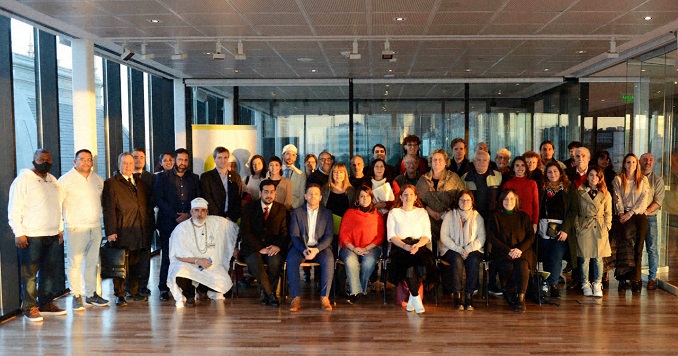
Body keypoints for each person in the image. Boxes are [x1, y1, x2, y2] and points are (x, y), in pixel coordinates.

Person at [9, 149, 66, 321]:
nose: (45, 162)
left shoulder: (53, 180)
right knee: (30, 274)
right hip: (31, 236)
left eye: (48, 159)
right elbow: (14, 208)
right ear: (34, 160)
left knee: (49, 272)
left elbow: (58, 205)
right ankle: (29, 307)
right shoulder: (23, 180)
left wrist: (60, 229)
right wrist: (18, 232)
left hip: (51, 234)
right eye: (41, 159)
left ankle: (46, 303)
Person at [58, 149, 109, 311]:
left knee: (93, 262)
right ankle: (76, 295)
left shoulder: (98, 180)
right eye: (82, 159)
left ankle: (91, 294)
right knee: (75, 263)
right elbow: (57, 206)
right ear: (75, 162)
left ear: (92, 163)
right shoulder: (65, 180)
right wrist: (60, 228)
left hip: (95, 227)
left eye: (89, 160)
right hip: (75, 228)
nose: (86, 162)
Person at [103, 152, 154, 307]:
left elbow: (147, 206)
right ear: (119, 165)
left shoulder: (140, 182)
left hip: (141, 229)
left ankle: (135, 291)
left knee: (138, 263)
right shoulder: (111, 183)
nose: (128, 166)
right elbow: (108, 209)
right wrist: (111, 231)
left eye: (131, 163)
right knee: (121, 264)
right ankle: (120, 294)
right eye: (125, 163)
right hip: (122, 230)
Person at [167, 198, 238, 308]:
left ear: (207, 212)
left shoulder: (215, 222)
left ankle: (202, 290)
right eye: (196, 210)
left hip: (209, 263)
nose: (200, 214)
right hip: (188, 262)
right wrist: (197, 260)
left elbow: (233, 229)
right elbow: (178, 254)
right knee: (178, 271)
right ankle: (190, 295)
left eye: (203, 210)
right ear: (191, 212)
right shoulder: (182, 228)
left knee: (224, 285)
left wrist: (234, 247)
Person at [155, 148, 201, 301]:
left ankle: (185, 286)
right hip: (168, 222)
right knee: (168, 255)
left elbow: (197, 199)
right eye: (180, 159)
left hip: (188, 223)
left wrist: (188, 214)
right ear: (175, 160)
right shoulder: (162, 177)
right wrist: (175, 216)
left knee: (186, 255)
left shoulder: (194, 178)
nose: (183, 163)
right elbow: (159, 200)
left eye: (186, 160)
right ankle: (164, 288)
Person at [387, 184, 436, 314]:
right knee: (408, 262)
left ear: (415, 197)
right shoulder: (394, 212)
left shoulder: (422, 212)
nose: (408, 197)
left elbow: (427, 235)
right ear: (401, 197)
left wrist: (417, 246)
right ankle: (416, 298)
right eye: (405, 195)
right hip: (400, 246)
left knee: (420, 263)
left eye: (411, 195)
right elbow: (391, 236)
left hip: (418, 245)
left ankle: (412, 300)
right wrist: (404, 246)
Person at [239, 180, 289, 307]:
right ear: (260, 192)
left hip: (273, 247)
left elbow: (284, 232)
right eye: (266, 192)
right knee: (255, 261)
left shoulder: (282, 209)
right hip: (253, 248)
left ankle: (265, 294)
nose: (269, 195)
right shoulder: (249, 208)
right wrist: (260, 248)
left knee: (275, 261)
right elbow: (246, 232)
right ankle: (271, 295)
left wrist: (277, 246)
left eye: (272, 192)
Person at [287, 184, 335, 312]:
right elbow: (294, 235)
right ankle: (296, 297)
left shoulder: (327, 213)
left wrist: (317, 249)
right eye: (310, 194)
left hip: (320, 248)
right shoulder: (297, 212)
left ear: (320, 197)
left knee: (329, 259)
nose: (313, 196)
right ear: (305, 196)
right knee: (291, 260)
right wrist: (303, 249)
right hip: (300, 247)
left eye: (316, 194)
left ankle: (325, 297)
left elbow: (329, 236)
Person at [487, 189, 536, 312]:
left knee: (522, 265)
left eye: (512, 199)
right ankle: (510, 291)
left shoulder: (523, 216)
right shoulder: (495, 216)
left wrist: (519, 249)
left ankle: (520, 297)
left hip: (523, 251)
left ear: (516, 201)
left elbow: (531, 236)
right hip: (502, 251)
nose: (509, 201)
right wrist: (508, 250)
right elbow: (491, 237)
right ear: (501, 200)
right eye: (506, 199)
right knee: (507, 266)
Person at [538, 162, 578, 299]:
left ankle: (553, 284)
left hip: (561, 229)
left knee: (556, 256)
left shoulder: (568, 188)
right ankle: (545, 284)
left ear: (560, 173)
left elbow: (573, 210)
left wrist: (566, 229)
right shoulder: (541, 188)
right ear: (546, 174)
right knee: (545, 256)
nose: (552, 174)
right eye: (549, 172)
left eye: (555, 171)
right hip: (543, 228)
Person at [338, 186, 384, 304]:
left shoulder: (377, 215)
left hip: (371, 248)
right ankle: (356, 291)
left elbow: (380, 236)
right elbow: (343, 235)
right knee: (350, 260)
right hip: (350, 247)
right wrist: (354, 248)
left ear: (372, 198)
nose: (365, 199)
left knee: (368, 262)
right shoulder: (350, 213)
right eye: (362, 196)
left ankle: (358, 290)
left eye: (367, 196)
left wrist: (365, 248)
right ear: (357, 199)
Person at [439, 191, 485, 311]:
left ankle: (469, 296)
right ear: (457, 201)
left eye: (468, 200)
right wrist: (459, 249)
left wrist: (468, 249)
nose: (465, 202)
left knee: (473, 260)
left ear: (472, 202)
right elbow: (444, 236)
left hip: (472, 249)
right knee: (456, 259)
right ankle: (458, 296)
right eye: (462, 200)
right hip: (452, 249)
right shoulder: (449, 215)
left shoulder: (477, 216)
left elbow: (482, 238)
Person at [612, 153, 649, 293]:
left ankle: (636, 278)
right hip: (622, 215)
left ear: (637, 164)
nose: (631, 165)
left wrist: (631, 213)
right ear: (624, 164)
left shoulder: (643, 180)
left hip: (638, 216)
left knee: (638, 249)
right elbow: (617, 197)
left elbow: (643, 199)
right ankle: (623, 278)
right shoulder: (618, 179)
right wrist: (622, 213)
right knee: (623, 248)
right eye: (628, 162)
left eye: (633, 162)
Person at [576, 166, 612, 298]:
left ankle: (597, 283)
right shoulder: (579, 192)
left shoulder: (605, 193)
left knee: (598, 258)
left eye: (597, 175)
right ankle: (585, 283)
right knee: (584, 258)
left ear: (600, 178)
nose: (594, 178)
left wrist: (607, 226)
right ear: (587, 176)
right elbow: (575, 211)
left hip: (599, 226)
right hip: (584, 226)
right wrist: (577, 226)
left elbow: (608, 212)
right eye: (591, 175)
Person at [416, 149, 464, 248]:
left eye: (440, 159)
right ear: (430, 162)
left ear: (446, 162)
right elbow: (417, 200)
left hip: (449, 218)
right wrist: (429, 211)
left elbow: (462, 197)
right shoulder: (423, 179)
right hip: (428, 219)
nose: (437, 162)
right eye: (434, 160)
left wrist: (446, 212)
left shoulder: (454, 178)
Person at [640, 153, 665, 290]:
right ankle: (634, 277)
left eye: (650, 160)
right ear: (640, 161)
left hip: (650, 219)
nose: (647, 162)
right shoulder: (634, 178)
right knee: (634, 248)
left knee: (652, 248)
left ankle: (652, 278)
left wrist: (645, 212)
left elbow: (658, 201)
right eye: (645, 159)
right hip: (635, 218)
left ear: (653, 163)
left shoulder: (657, 180)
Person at [132, 148, 155, 297]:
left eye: (141, 157)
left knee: (145, 255)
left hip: (147, 221)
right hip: (130, 224)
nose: (138, 160)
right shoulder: (125, 177)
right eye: (135, 157)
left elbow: (154, 198)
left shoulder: (152, 178)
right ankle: (131, 287)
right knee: (132, 255)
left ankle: (143, 286)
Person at [200, 146, 243, 222]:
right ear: (214, 159)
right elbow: (207, 198)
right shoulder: (206, 177)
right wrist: (219, 218)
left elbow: (237, 199)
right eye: (219, 157)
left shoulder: (236, 177)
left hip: (231, 219)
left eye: (225, 157)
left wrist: (231, 217)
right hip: (214, 219)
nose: (223, 160)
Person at [460, 150, 502, 220]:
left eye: (485, 160)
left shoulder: (498, 176)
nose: (481, 162)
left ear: (488, 162)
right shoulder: (465, 178)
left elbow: (501, 198)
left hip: (492, 217)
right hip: (471, 217)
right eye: (478, 160)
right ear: (473, 162)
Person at [502, 156, 539, 232]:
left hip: (529, 221)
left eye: (522, 165)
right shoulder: (507, 184)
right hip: (512, 222)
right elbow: (504, 205)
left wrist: (535, 223)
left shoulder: (532, 184)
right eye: (517, 165)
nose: (520, 168)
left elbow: (535, 205)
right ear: (513, 168)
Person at [282, 144, 307, 209]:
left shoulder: (301, 174)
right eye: (288, 154)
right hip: (278, 209)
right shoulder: (274, 172)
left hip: (294, 209)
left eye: (293, 155)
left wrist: (293, 207)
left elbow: (302, 196)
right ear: (283, 155)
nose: (290, 157)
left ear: (295, 158)